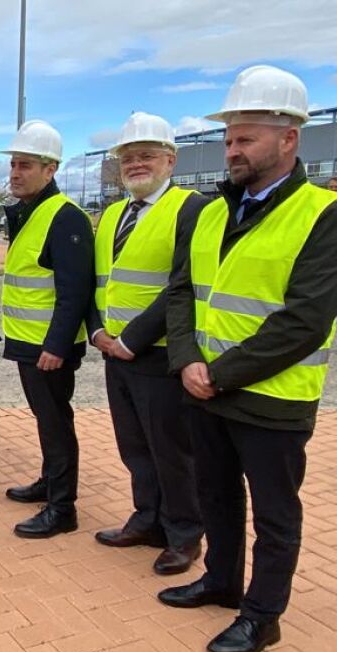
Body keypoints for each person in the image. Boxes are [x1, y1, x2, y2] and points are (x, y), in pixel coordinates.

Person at [162, 65, 337, 652]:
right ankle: (221, 581)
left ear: (289, 138)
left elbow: (305, 320)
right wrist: (187, 361)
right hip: (204, 388)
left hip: (273, 398)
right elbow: (181, 293)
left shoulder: (327, 214)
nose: (232, 150)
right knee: (216, 495)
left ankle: (262, 615)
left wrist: (216, 374)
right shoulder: (209, 212)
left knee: (275, 514)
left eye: (246, 138)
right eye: (229, 139)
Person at [86, 113, 210, 574]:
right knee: (134, 446)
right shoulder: (113, 214)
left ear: (170, 160)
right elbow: (101, 280)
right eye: (128, 158)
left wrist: (133, 340)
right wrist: (97, 331)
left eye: (146, 156)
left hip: (157, 353)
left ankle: (184, 534)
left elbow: (183, 284)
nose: (136, 164)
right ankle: (147, 518)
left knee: (172, 451)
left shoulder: (191, 209)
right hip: (114, 352)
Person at [0, 121, 94, 535]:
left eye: (25, 165)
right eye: (13, 164)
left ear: (50, 169)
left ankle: (62, 508)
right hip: (28, 342)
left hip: (48, 349)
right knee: (44, 418)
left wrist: (56, 346)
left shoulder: (65, 218)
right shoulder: (30, 212)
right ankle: (50, 481)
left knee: (55, 422)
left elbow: (75, 291)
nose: (15, 173)